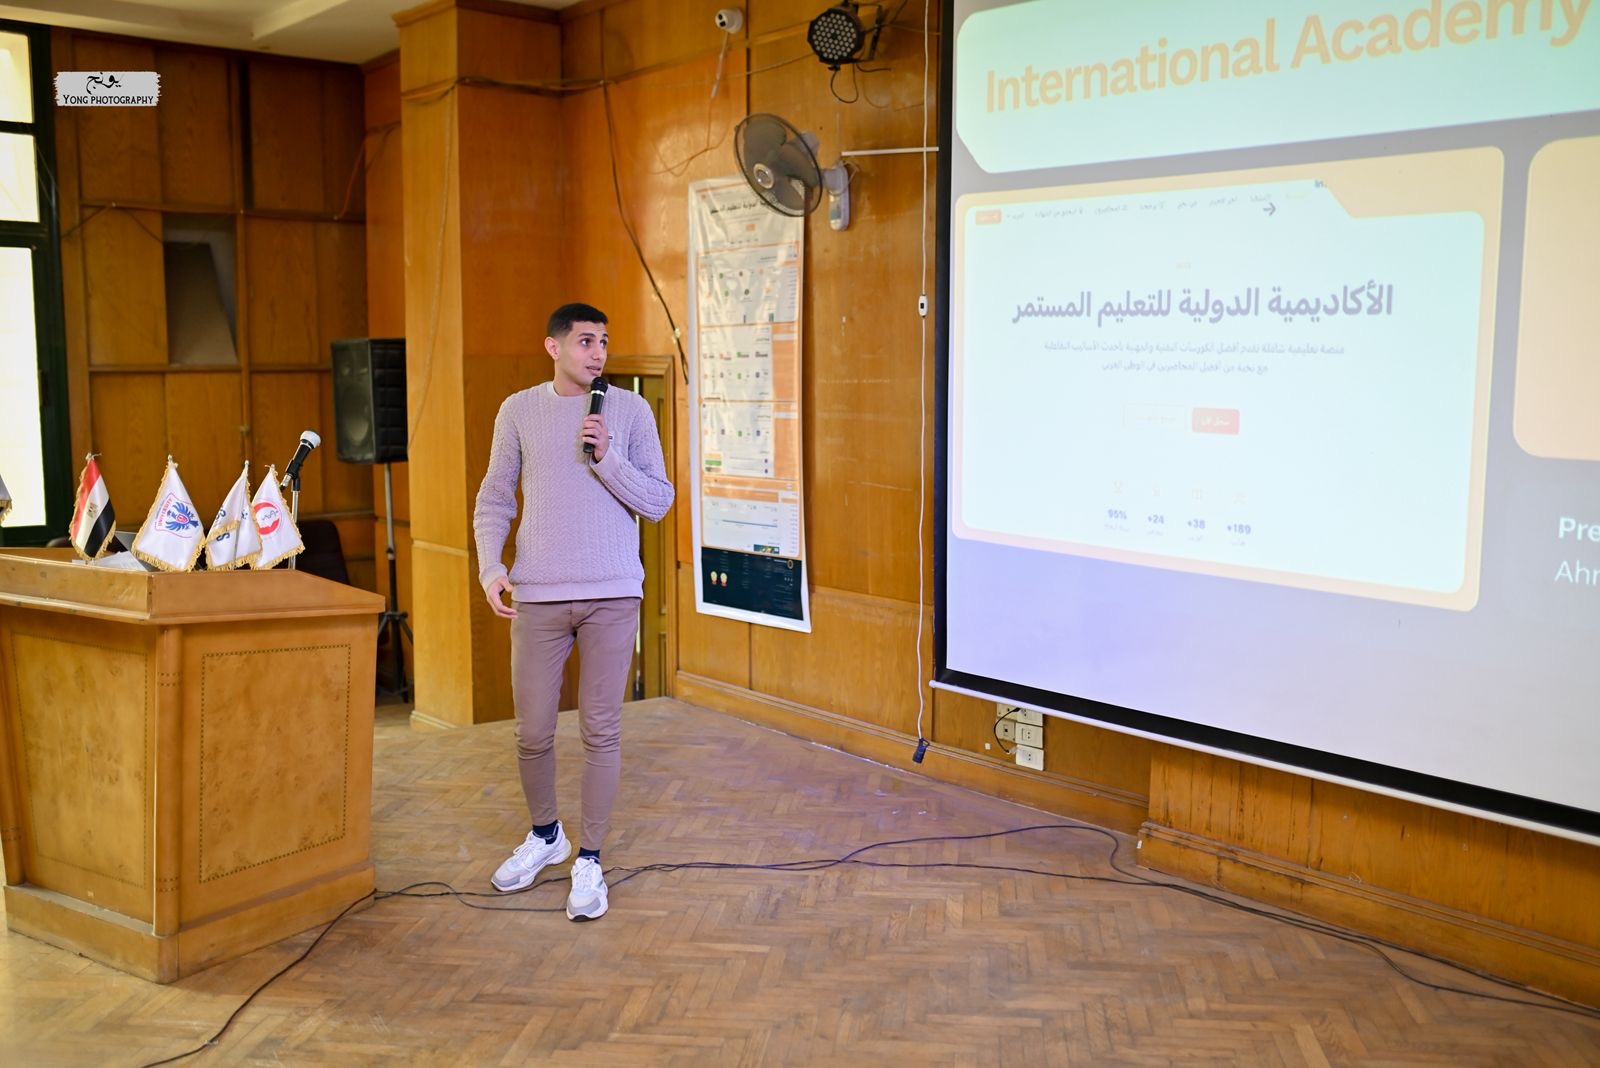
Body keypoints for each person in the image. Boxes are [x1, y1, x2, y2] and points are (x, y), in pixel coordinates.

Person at [473, 302, 674, 921]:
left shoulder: (630, 412)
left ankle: (589, 857)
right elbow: (495, 497)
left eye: (604, 342)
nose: (598, 352)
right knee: (532, 731)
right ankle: (545, 836)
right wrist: (490, 565)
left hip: (613, 592)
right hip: (538, 593)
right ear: (553, 347)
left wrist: (608, 456)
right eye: (586, 341)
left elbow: (658, 501)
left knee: (600, 730)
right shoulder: (518, 410)